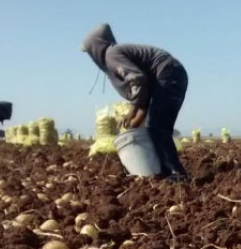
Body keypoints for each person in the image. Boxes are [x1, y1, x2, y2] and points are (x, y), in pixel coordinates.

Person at [81, 23, 189, 181]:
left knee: (158, 127)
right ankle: (166, 171)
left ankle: (177, 174)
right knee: (157, 127)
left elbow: (137, 80)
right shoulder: (117, 54)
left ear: (95, 48)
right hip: (172, 74)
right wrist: (137, 117)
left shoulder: (112, 55)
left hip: (168, 73)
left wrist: (132, 110)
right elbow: (144, 90)